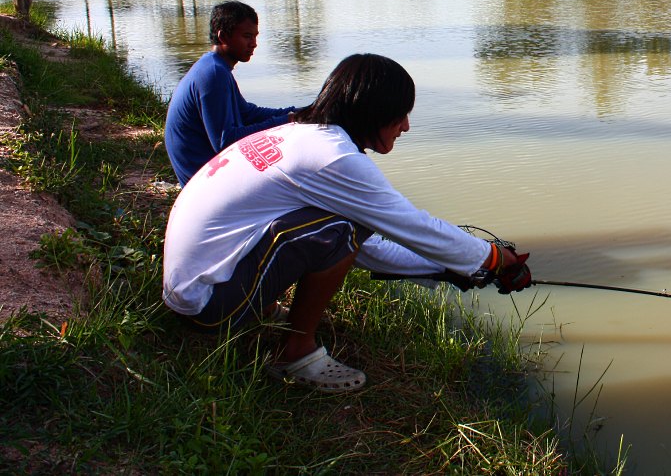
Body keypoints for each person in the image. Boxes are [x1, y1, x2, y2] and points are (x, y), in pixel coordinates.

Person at [162, 53, 531, 392]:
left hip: (198, 286)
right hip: (206, 304)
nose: (406, 126)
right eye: (400, 114)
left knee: (341, 230)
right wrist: (493, 259)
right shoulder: (333, 158)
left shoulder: (300, 135)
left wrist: (450, 268)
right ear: (371, 112)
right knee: (340, 231)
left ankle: (264, 307)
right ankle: (296, 355)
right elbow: (407, 229)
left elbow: (369, 249)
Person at [164, 1, 298, 185]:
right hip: (203, 183)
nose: (254, 44)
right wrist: (287, 121)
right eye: (247, 36)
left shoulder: (216, 67)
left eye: (255, 36)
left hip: (208, 173)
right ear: (223, 36)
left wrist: (297, 113)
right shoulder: (213, 73)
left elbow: (247, 113)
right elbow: (226, 142)